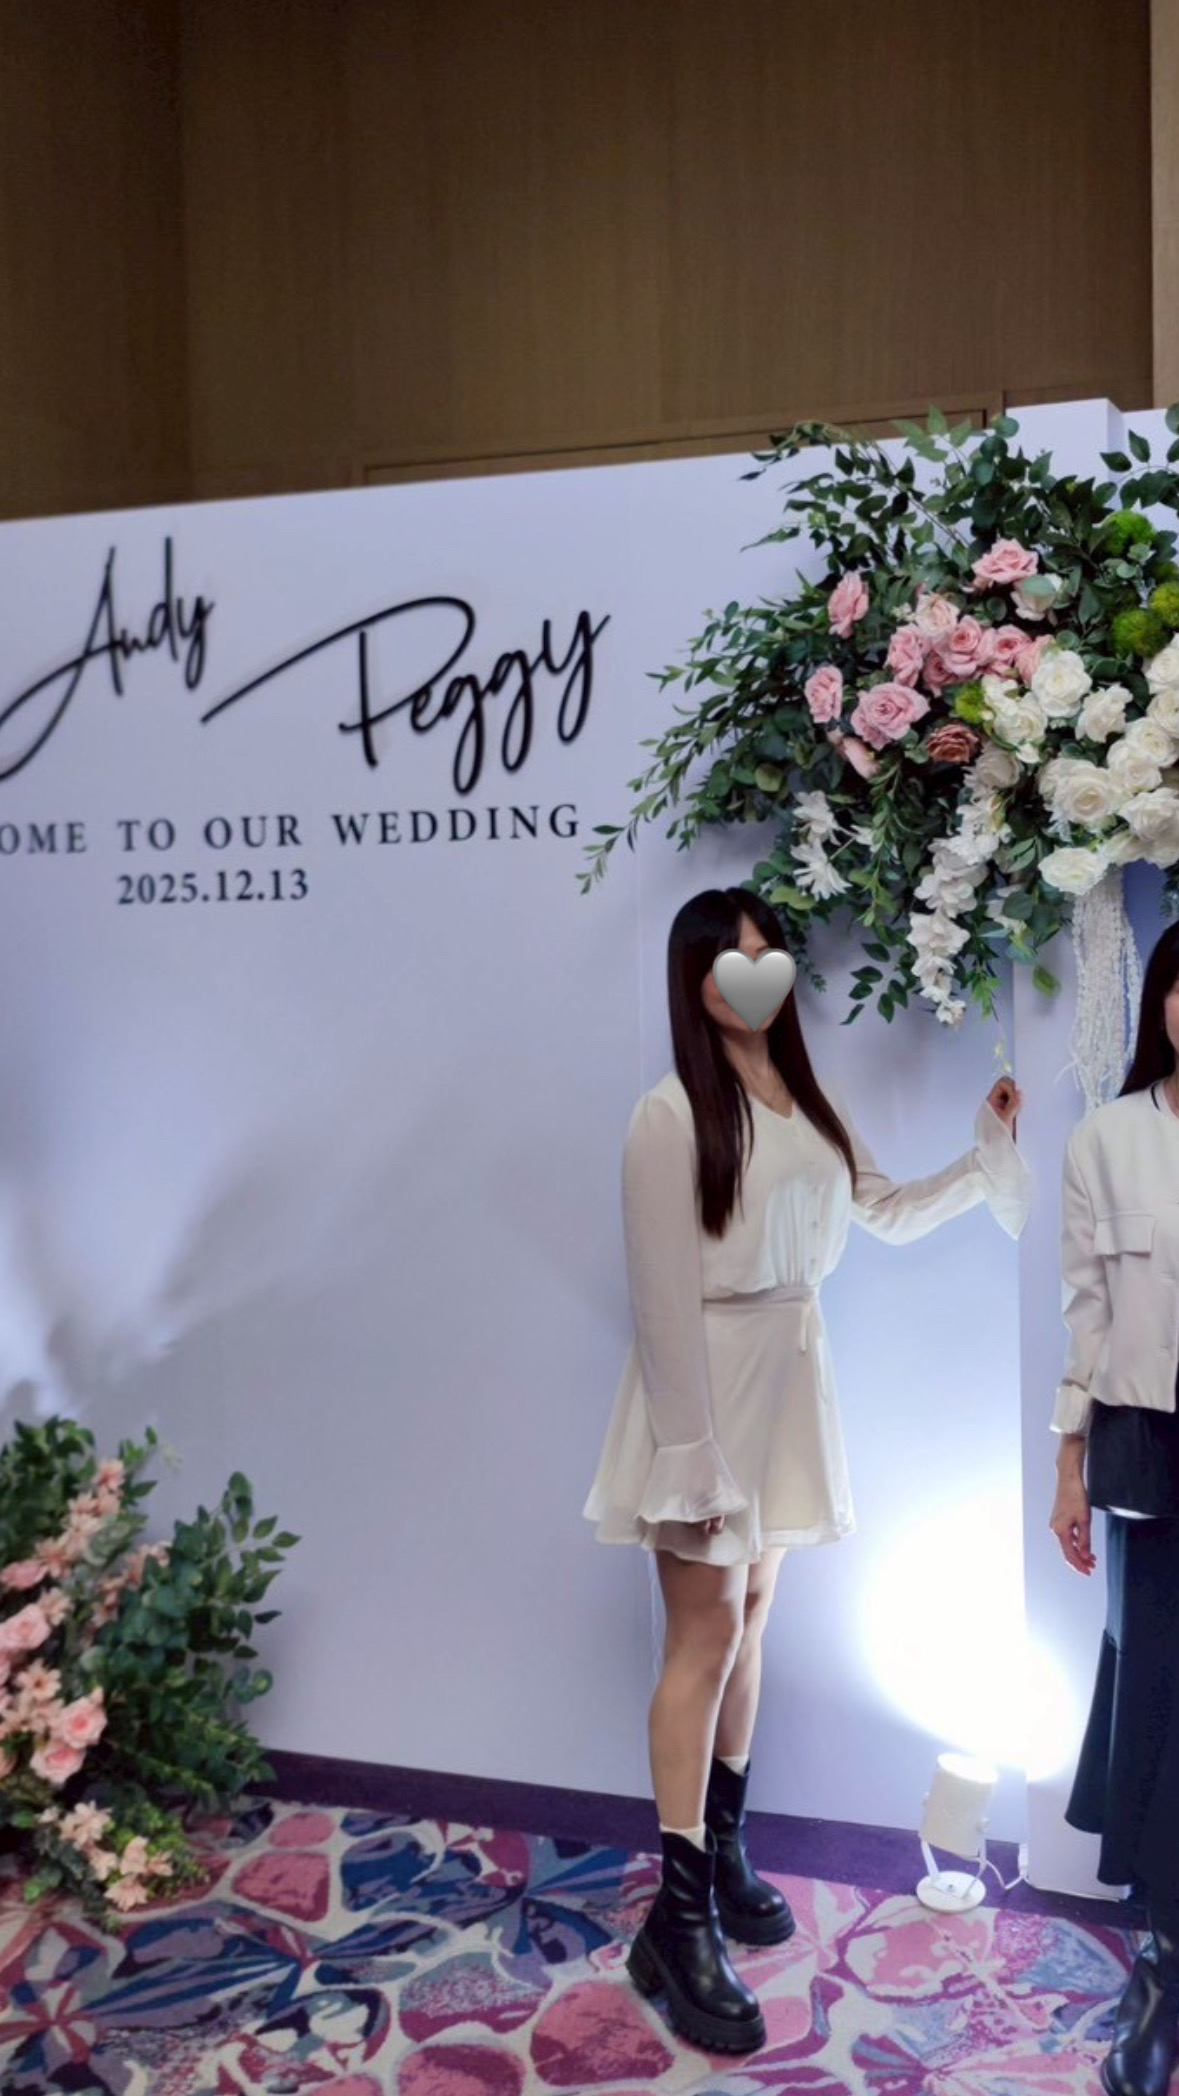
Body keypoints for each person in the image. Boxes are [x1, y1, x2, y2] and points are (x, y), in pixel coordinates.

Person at [584, 886, 1030, 2056]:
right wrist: (691, 1453)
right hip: (706, 1387)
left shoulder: (807, 1097)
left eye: (769, 953)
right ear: (695, 983)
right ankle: (677, 1920)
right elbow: (658, 1299)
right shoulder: (669, 1114)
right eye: (733, 959)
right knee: (701, 1637)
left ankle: (723, 1848)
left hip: (789, 1375)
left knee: (753, 1620)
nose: (758, 973)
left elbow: (883, 1209)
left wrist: (983, 1156)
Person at [1050, 919, 1179, 2096]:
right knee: (1157, 1695)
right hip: (1146, 1448)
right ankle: (1164, 1964)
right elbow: (1086, 1314)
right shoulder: (1106, 1138)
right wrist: (1068, 1464)